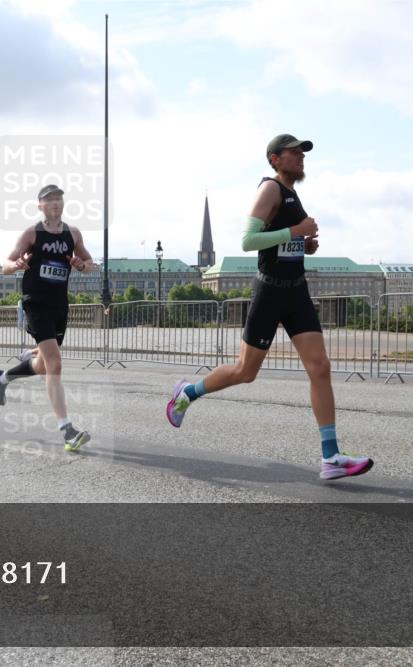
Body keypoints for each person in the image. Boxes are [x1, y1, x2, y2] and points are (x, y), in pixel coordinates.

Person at [165, 134, 373, 481]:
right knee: (245, 373)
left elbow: (282, 241)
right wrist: (296, 229)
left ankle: (330, 456)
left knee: (320, 367)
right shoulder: (270, 189)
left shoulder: (292, 194)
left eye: (302, 154)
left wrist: (304, 244)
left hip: (297, 292)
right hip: (270, 292)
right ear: (275, 159)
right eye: (294, 153)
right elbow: (248, 241)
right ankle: (187, 393)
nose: (301, 158)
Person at [0, 184, 95, 452]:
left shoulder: (73, 233)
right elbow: (5, 266)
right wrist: (17, 265)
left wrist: (82, 265)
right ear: (40, 206)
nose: (55, 204)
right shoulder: (32, 234)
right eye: (49, 201)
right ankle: (68, 431)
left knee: (46, 365)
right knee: (55, 363)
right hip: (35, 303)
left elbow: (91, 263)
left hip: (59, 305)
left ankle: (2, 378)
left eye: (58, 199)